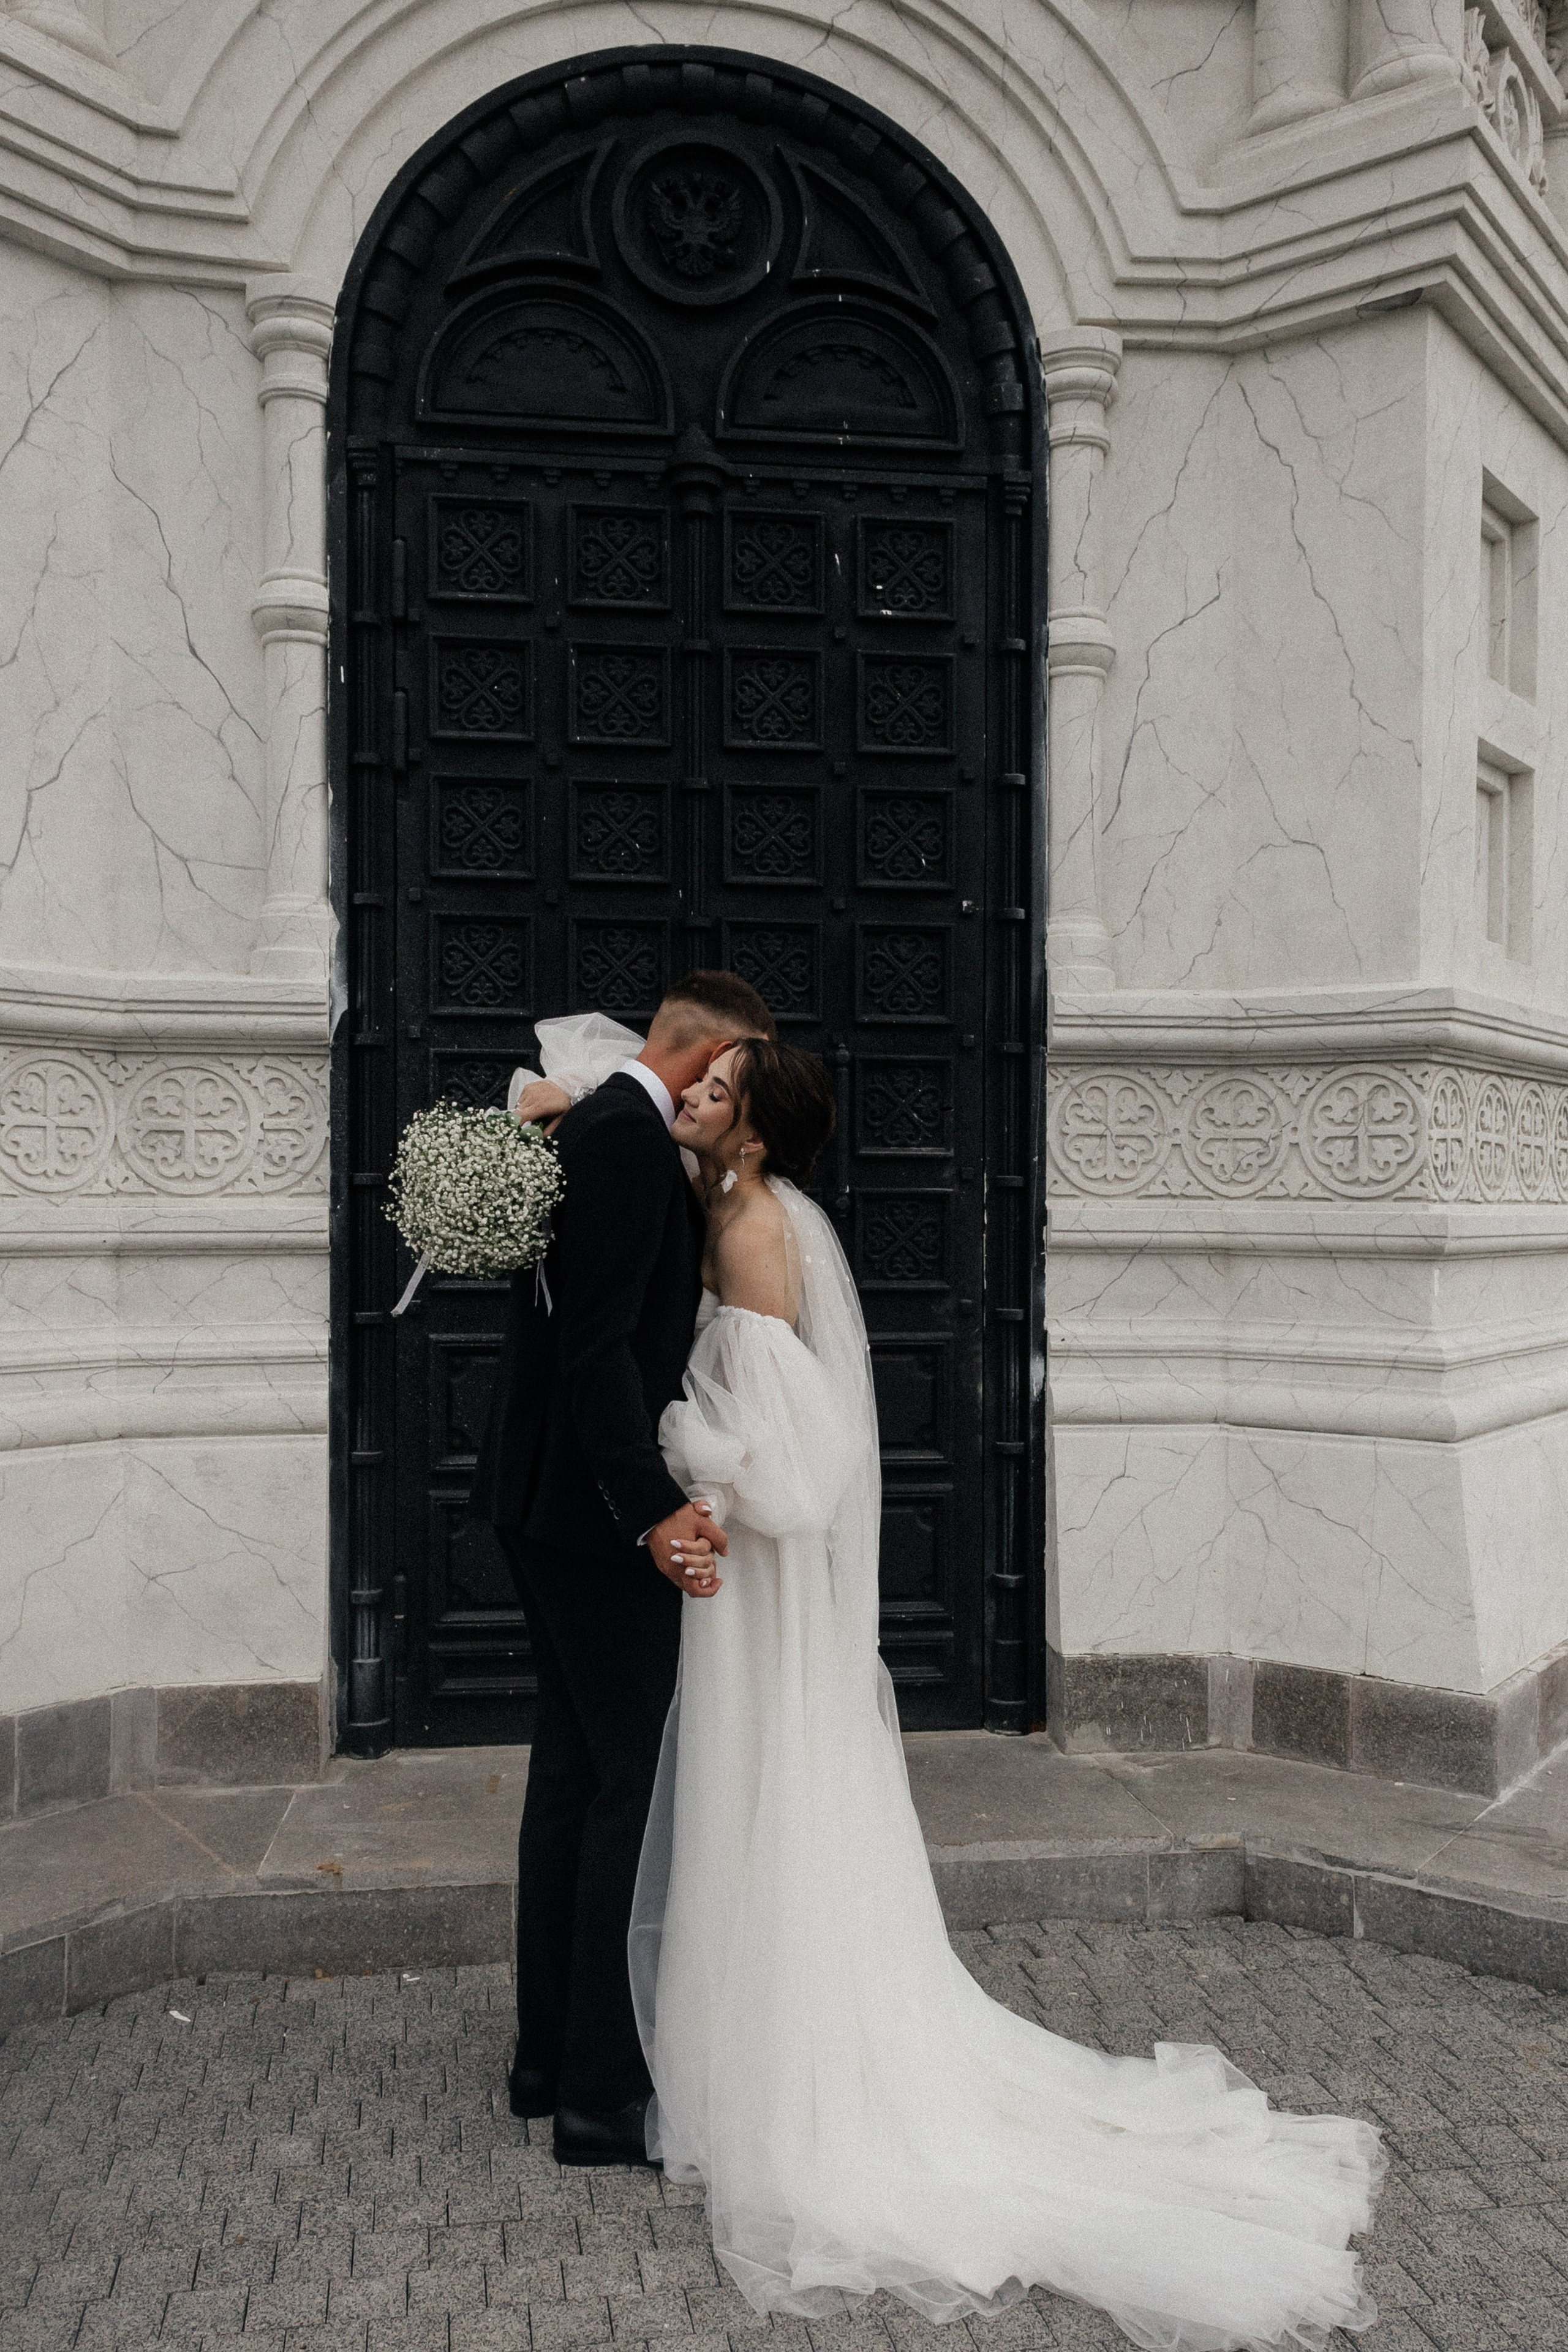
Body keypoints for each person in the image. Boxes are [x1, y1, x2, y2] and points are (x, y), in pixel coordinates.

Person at [625, 1036, 1385, 2352]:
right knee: (765, 1794)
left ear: (749, 1135)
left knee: (762, 1792)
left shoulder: (750, 1231)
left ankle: (777, 2080)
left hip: (756, 1580)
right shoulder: (746, 1205)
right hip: (758, 1588)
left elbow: (795, 1471)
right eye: (694, 1078)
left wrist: (683, 1457)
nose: (687, 1090)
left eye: (714, 1088)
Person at [467, 970, 774, 2166]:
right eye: (739, 1071)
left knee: (572, 1778)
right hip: (587, 1521)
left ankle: (547, 2059)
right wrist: (650, 1512)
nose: (738, 1093)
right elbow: (595, 1351)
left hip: (547, 1505)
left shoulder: (597, 1123)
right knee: (624, 1797)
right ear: (704, 1059)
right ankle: (600, 2092)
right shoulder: (625, 1145)